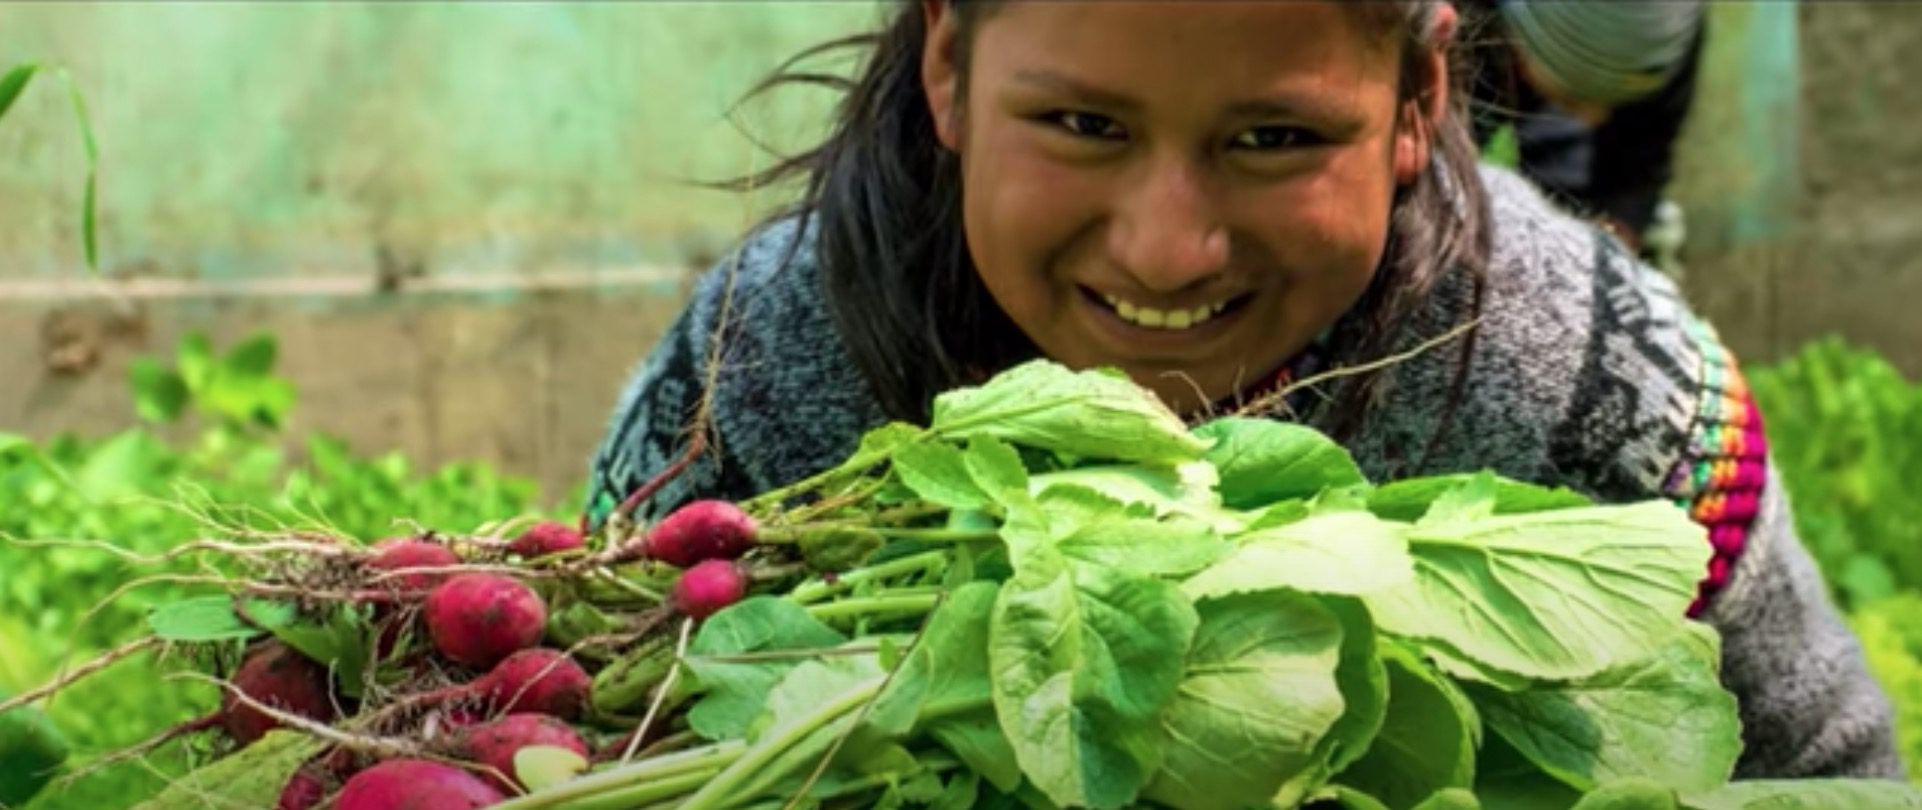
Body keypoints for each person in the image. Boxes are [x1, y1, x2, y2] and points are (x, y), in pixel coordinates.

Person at [585, 0, 1901, 781]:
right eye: (1083, 126)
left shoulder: (1603, 380)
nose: (1166, 248)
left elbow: (1822, 774)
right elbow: (590, 725)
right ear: (947, 65)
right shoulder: (760, 363)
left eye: (1273, 139)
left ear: (1415, 97)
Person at [1462, 0, 1704, 259]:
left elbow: (1640, 166)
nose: (1594, 120)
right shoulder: (1458, 30)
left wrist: (1614, 244)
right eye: (1573, 99)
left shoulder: (1669, 24)